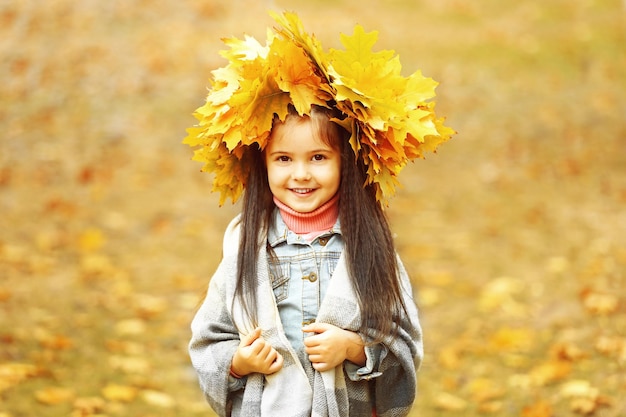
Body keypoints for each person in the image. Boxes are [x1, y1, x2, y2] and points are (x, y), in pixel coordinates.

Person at [185, 11, 454, 417]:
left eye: (318, 157)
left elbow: (403, 342)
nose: (301, 174)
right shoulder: (244, 247)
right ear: (263, 166)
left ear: (346, 161)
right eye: (283, 159)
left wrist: (353, 349)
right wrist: (241, 363)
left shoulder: (369, 245)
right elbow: (210, 341)